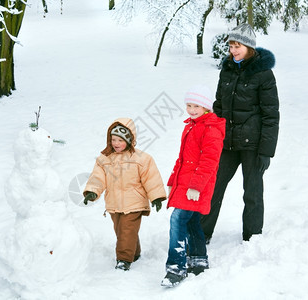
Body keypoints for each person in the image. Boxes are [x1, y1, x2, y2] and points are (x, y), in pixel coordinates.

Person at [201, 24, 280, 244]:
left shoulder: (263, 74)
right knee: (214, 187)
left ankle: (252, 237)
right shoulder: (226, 69)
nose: (234, 50)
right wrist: (213, 136)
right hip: (227, 142)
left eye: (238, 46)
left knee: (252, 192)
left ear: (249, 47)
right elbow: (218, 106)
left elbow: (271, 115)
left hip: (253, 144)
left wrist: (266, 152)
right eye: (231, 46)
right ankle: (202, 233)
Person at [161, 85, 225, 287]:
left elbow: (209, 161)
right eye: (189, 105)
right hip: (185, 184)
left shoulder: (211, 129)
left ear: (206, 107)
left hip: (197, 185)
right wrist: (173, 181)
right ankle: (198, 260)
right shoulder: (190, 125)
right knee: (191, 221)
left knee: (177, 220)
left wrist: (196, 186)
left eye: (197, 105)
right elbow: (182, 159)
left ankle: (176, 268)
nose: (192, 109)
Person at [83, 117, 166, 271]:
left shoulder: (141, 159)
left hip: (134, 203)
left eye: (120, 140)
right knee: (122, 231)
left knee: (126, 231)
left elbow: (151, 178)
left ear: (130, 140)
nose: (116, 143)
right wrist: (92, 192)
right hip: (114, 203)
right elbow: (98, 177)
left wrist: (156, 197)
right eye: (113, 139)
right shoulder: (105, 159)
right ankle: (134, 253)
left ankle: (123, 260)